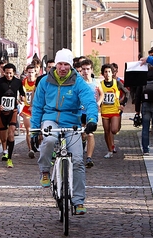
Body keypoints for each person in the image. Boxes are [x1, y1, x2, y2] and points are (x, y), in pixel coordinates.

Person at [31, 48, 98, 215]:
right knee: (50, 140)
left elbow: (90, 102)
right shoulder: (45, 82)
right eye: (60, 64)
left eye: (66, 64)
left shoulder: (78, 82)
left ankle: (78, 201)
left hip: (72, 121)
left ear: (71, 66)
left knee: (77, 160)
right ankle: (45, 170)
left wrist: (91, 120)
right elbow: (37, 106)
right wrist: (34, 130)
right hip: (50, 119)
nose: (62, 67)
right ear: (55, 65)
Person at [0, 63, 26, 168]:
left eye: (10, 73)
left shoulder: (18, 82)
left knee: (11, 133)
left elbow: (22, 93)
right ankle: (4, 150)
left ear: (14, 73)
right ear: (3, 72)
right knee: (3, 135)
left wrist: (22, 98)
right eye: (6, 73)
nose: (8, 75)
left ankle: (10, 158)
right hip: (2, 112)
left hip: (13, 111)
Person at [135, 48, 153, 156]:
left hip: (145, 103)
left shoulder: (143, 73)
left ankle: (146, 149)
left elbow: (138, 93)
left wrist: (137, 110)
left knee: (145, 127)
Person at [80, 59, 104, 168]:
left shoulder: (96, 82)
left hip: (91, 112)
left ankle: (89, 157)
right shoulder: (79, 82)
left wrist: (98, 103)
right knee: (82, 134)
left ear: (92, 70)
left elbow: (102, 94)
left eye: (88, 69)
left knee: (90, 133)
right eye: (83, 69)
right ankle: (82, 143)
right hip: (80, 112)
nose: (86, 71)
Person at [100, 64, 124, 158]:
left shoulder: (117, 83)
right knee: (106, 131)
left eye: (109, 72)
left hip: (114, 110)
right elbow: (97, 95)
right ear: (103, 74)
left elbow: (126, 92)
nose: (107, 74)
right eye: (105, 72)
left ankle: (112, 145)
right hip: (105, 111)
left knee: (113, 130)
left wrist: (122, 103)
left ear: (112, 73)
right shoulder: (100, 84)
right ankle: (110, 150)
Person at [21, 64, 37, 158]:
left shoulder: (37, 82)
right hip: (27, 108)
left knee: (40, 132)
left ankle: (38, 144)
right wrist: (20, 97)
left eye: (32, 72)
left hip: (37, 109)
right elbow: (20, 92)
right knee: (28, 130)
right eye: (29, 72)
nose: (30, 74)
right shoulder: (24, 82)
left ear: (35, 72)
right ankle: (30, 149)